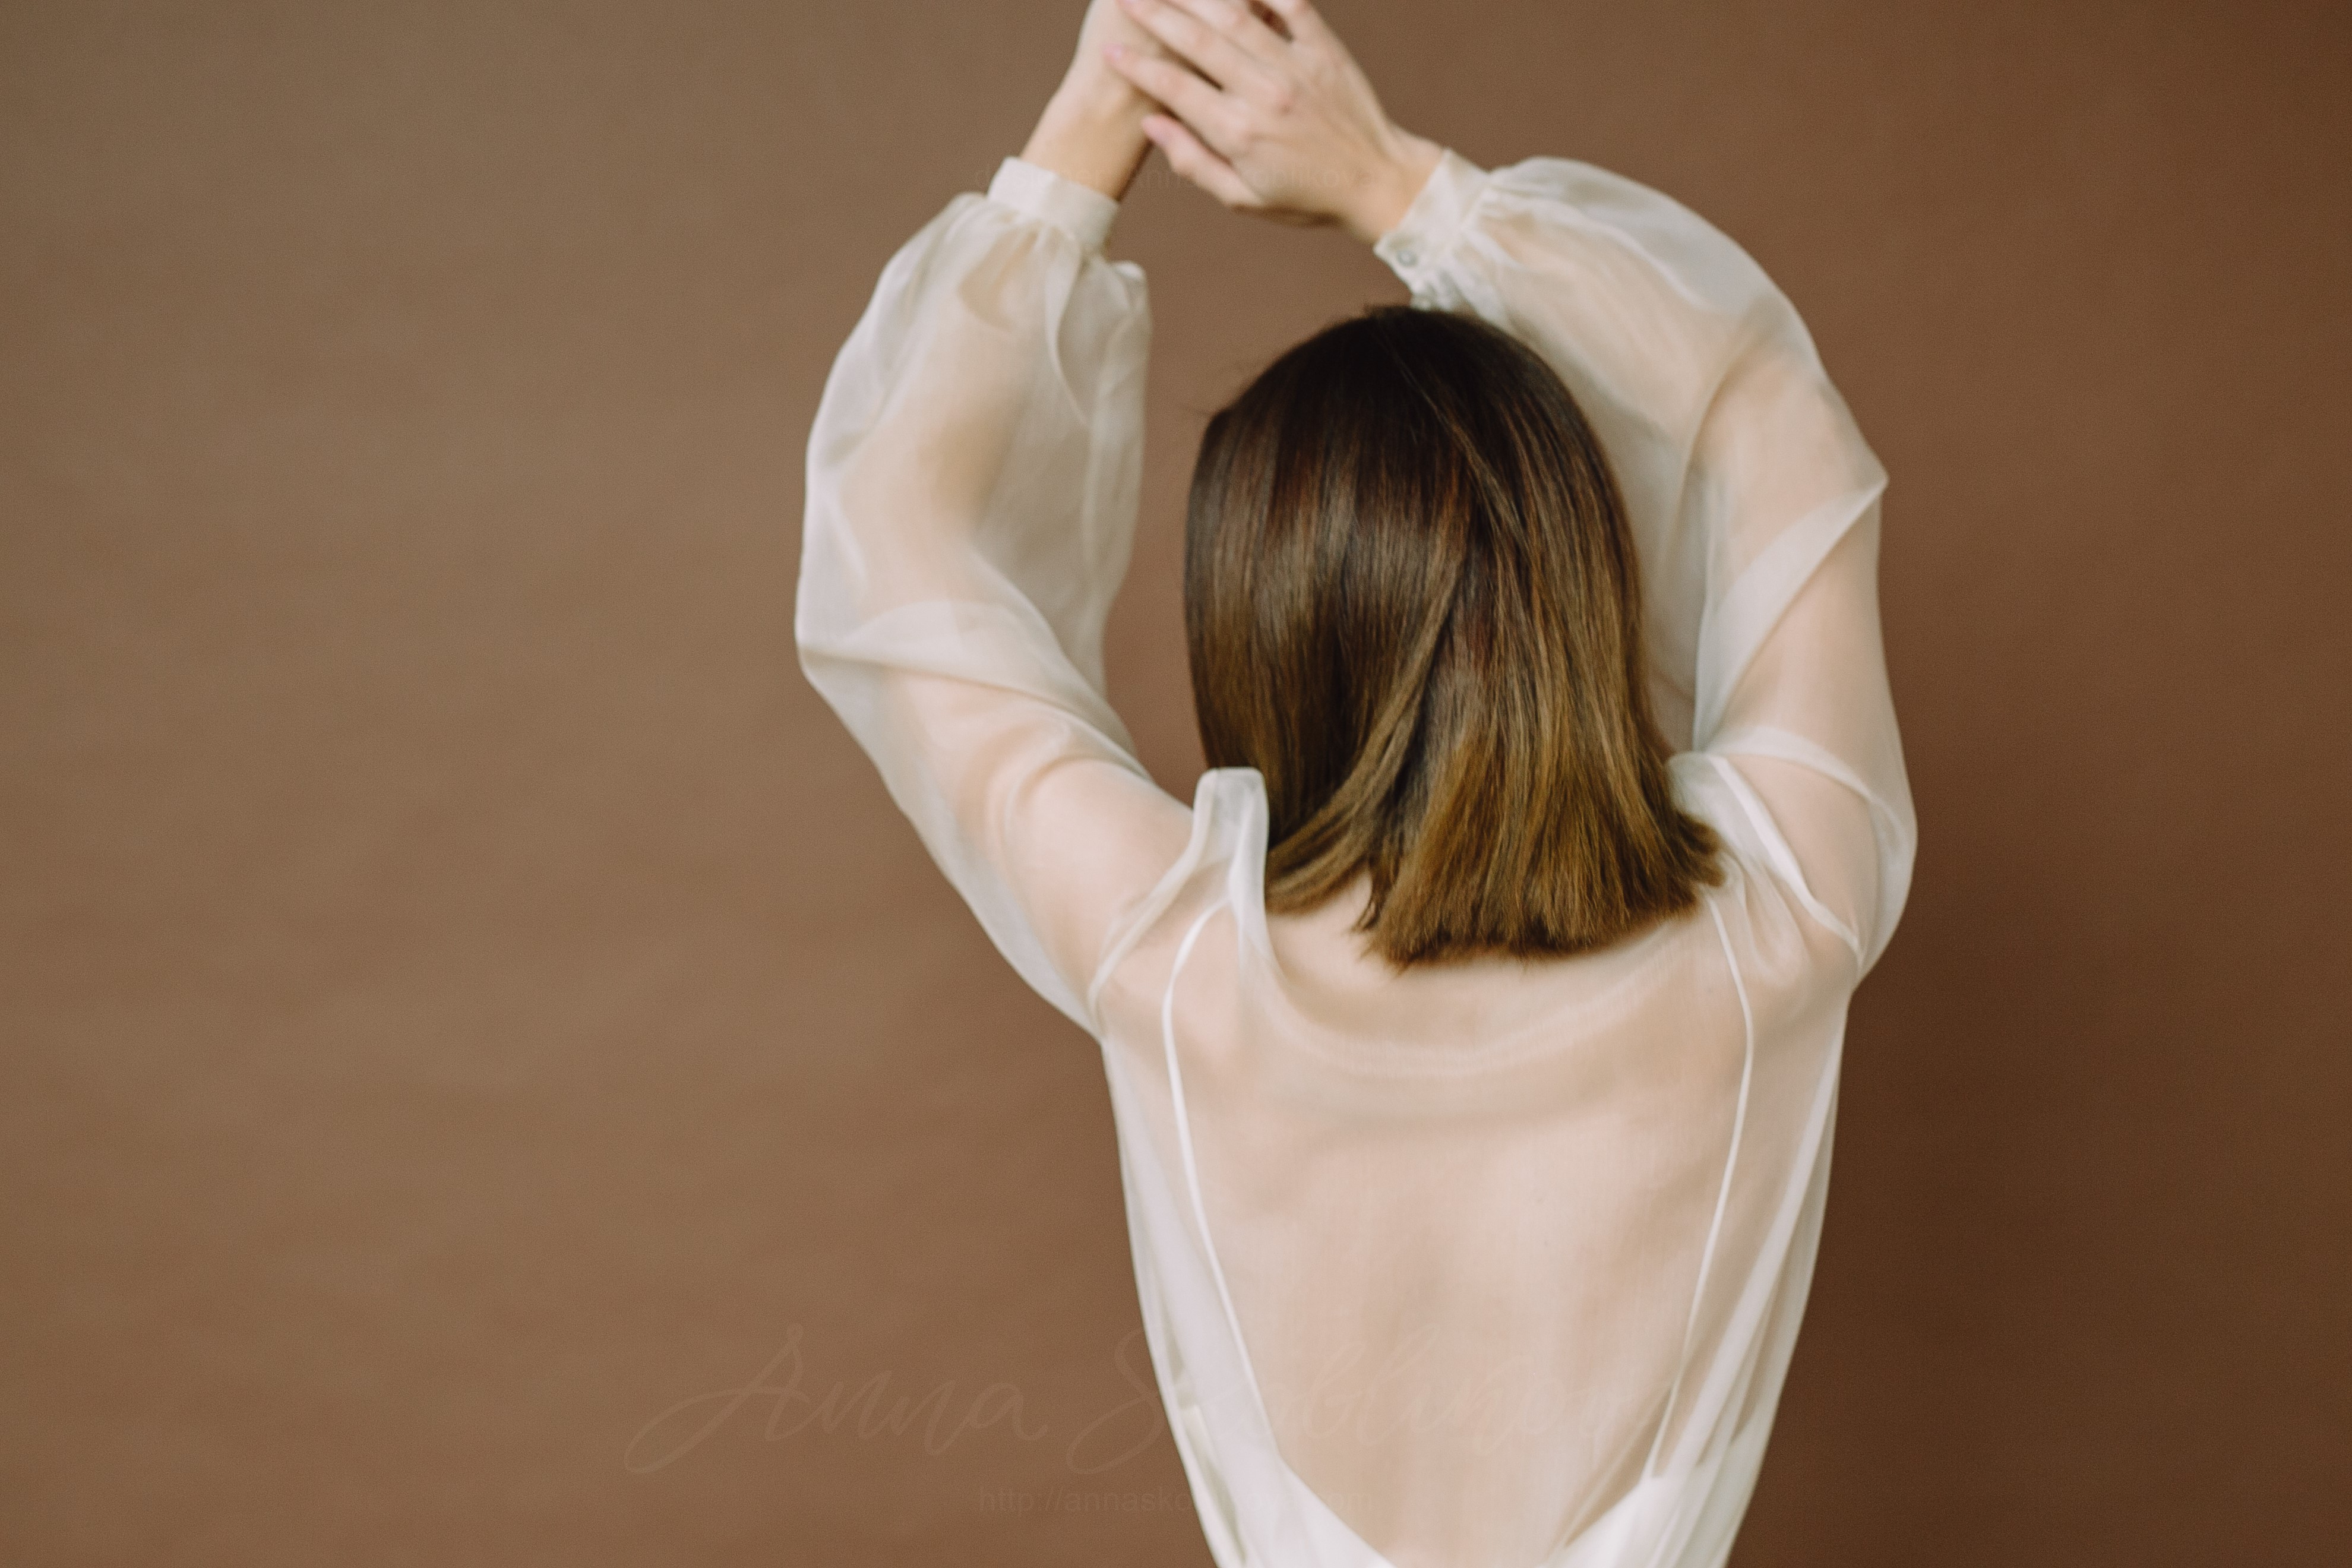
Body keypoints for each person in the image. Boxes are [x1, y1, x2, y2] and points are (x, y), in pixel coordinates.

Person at [795, 0, 1917, 1562]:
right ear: (1580, 581)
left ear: (1257, 630)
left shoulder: (1180, 967)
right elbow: (1772, 423)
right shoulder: (1783, 911)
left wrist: (1114, 91)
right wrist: (1393, 179)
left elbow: (898, 539)